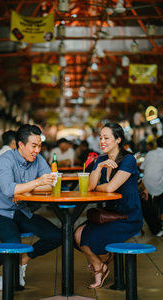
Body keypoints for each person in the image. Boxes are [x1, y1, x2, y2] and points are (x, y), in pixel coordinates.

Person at [0, 124, 62, 290]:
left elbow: (51, 185)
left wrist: (25, 190)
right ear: (20, 144)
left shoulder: (38, 159)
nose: (37, 150)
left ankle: (22, 260)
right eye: (33, 146)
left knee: (57, 236)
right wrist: (36, 183)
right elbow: (8, 190)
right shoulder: (5, 160)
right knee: (13, 243)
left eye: (39, 146)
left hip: (21, 212)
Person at [74, 122, 143, 289]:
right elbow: (89, 187)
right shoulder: (102, 159)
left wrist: (98, 186)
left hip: (128, 215)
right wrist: (98, 167)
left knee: (87, 238)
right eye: (100, 138)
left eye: (106, 138)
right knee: (76, 234)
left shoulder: (128, 159)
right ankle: (100, 265)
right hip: (110, 213)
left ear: (118, 139)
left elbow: (111, 188)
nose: (102, 141)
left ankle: (101, 264)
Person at [140, 135, 163, 224]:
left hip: (145, 186)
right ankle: (162, 216)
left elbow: (142, 169)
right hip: (158, 187)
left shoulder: (150, 153)